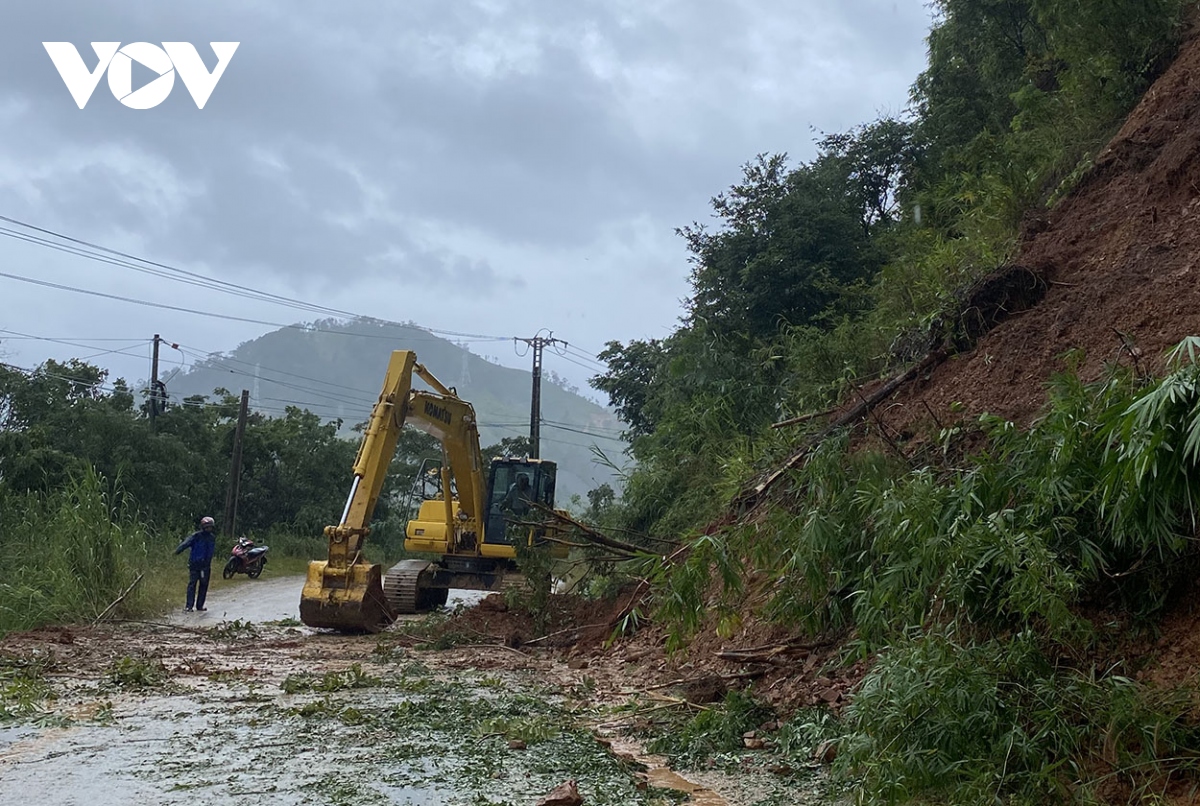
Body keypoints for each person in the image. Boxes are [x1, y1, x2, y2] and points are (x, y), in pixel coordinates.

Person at [175, 516, 217, 612]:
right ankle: (189, 606)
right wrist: (177, 551)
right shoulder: (196, 536)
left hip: (206, 566)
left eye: (210, 527)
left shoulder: (212, 538)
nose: (209, 529)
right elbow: (185, 544)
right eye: (207, 527)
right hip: (195, 565)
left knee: (204, 585)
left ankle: (200, 606)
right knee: (192, 585)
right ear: (203, 527)